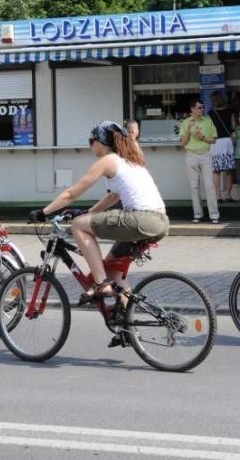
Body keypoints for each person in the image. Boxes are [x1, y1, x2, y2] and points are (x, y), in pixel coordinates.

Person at [29, 121, 169, 341]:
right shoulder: (129, 161)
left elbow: (71, 194)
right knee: (114, 271)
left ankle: (101, 284)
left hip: (141, 219)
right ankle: (129, 329)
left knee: (78, 226)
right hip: (159, 221)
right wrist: (87, 213)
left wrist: (43, 212)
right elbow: (112, 197)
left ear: (101, 141)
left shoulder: (108, 160)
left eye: (90, 140)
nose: (90, 145)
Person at [179, 99, 220, 223]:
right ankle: (197, 214)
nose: (202, 110)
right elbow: (183, 142)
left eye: (202, 107)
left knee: (209, 185)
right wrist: (189, 129)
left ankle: (214, 215)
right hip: (191, 155)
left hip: (205, 155)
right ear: (192, 109)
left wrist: (202, 137)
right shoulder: (185, 122)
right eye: (199, 108)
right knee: (194, 186)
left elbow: (214, 140)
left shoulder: (208, 121)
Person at [208, 91, 235, 202]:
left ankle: (218, 196)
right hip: (227, 142)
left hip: (216, 142)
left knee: (216, 170)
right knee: (229, 170)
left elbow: (209, 130)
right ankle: (228, 195)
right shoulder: (230, 111)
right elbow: (233, 127)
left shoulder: (210, 113)